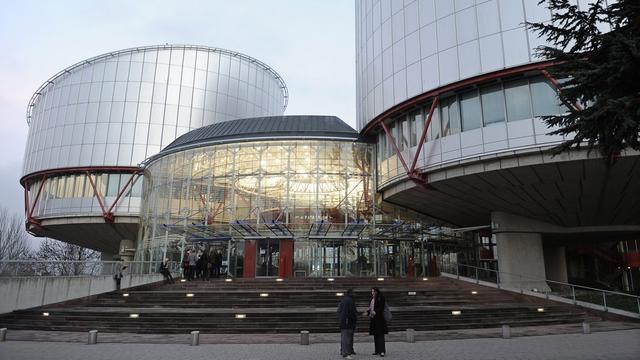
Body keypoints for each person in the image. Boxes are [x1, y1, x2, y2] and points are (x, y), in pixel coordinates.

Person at [366, 287, 387, 357]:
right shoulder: (372, 299)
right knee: (376, 336)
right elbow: (370, 308)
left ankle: (382, 351)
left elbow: (381, 307)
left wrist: (375, 312)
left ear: (377, 292)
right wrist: (367, 312)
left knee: (380, 336)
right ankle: (377, 350)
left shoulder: (381, 298)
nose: (372, 293)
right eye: (372, 291)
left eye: (373, 291)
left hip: (380, 320)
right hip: (374, 319)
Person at [337, 288, 357, 359]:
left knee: (345, 338)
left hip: (343, 321)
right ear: (351, 293)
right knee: (347, 338)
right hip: (348, 322)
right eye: (354, 293)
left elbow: (339, 311)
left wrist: (340, 319)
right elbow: (352, 312)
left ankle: (344, 351)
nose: (355, 294)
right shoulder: (351, 301)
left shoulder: (343, 300)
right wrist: (354, 319)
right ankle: (346, 353)